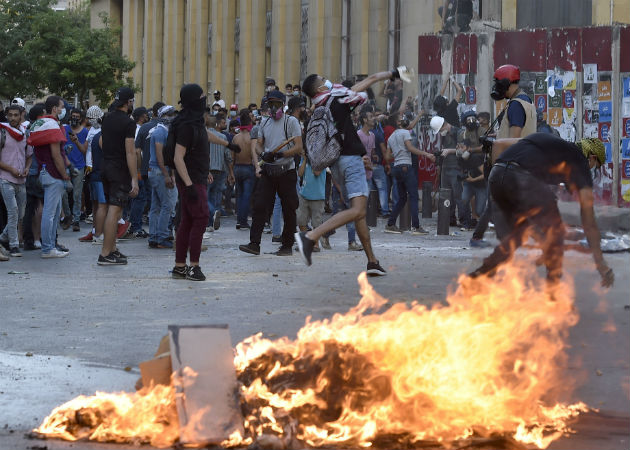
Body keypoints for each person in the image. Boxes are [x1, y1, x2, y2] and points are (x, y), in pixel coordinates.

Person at [469, 134, 614, 288]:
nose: (592, 169)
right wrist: (601, 265)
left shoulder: (550, 142)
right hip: (522, 179)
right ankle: (553, 295)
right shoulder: (580, 160)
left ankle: (478, 277)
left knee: (518, 235)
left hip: (496, 177)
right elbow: (589, 221)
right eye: (595, 165)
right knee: (555, 236)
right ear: (592, 157)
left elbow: (499, 144)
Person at [296, 70, 403, 275]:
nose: (327, 80)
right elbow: (369, 82)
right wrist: (392, 73)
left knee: (358, 213)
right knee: (359, 210)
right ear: (319, 88)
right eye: (322, 80)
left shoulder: (320, 107)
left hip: (336, 163)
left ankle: (372, 261)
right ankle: (310, 236)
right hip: (352, 161)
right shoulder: (338, 99)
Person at [239, 89, 302, 256]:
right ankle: (254, 244)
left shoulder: (291, 122)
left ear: (283, 105)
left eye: (277, 104)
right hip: (268, 170)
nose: (274, 107)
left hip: (286, 172)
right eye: (271, 104)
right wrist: (262, 153)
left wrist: (281, 154)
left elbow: (298, 146)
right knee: (259, 206)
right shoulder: (264, 123)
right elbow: (259, 144)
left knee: (289, 209)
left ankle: (287, 245)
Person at [171, 83, 212, 281]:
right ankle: (194, 266)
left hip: (196, 177)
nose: (205, 100)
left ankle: (180, 266)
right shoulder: (187, 125)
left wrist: (228, 143)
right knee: (201, 218)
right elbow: (178, 157)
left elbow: (205, 136)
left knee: (187, 221)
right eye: (202, 97)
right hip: (191, 179)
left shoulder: (193, 122)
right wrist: (188, 185)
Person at [98, 87, 139, 265]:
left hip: (106, 167)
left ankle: (112, 249)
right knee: (115, 211)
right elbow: (130, 152)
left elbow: (101, 142)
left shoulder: (107, 119)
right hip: (119, 170)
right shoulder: (128, 123)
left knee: (113, 210)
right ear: (128, 102)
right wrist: (134, 179)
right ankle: (105, 253)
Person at [28, 95, 71, 258]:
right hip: (53, 173)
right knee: (50, 213)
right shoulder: (52, 125)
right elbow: (56, 154)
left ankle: (50, 245)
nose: (62, 110)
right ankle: (48, 248)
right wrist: (64, 174)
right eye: (61, 107)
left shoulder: (40, 123)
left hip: (44, 171)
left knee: (52, 211)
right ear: (54, 109)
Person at [384, 114, 435, 235]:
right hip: (406, 166)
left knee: (402, 198)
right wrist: (426, 154)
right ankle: (416, 227)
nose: (405, 120)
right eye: (401, 118)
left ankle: (390, 224)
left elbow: (387, 156)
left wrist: (397, 153)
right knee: (413, 196)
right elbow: (411, 148)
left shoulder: (391, 137)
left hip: (396, 167)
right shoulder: (405, 133)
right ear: (398, 123)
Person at [0, 104, 32, 257]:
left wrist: (27, 168)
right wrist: (10, 169)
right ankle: (13, 246)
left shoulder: (25, 133)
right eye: (10, 115)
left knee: (20, 214)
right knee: (13, 212)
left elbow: (29, 155)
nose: (12, 118)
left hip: (21, 180)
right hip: (5, 179)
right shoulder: (2, 132)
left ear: (21, 116)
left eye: (15, 115)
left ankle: (1, 238)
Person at [430, 115, 466, 227]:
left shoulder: (459, 132)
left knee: (458, 196)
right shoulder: (444, 135)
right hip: (445, 168)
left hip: (456, 168)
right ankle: (450, 219)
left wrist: (449, 151)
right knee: (447, 195)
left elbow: (463, 150)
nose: (440, 132)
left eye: (440, 130)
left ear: (444, 125)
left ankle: (463, 220)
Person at [490, 64, 536, 138]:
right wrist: (499, 136)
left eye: (498, 84)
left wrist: (495, 144)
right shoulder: (525, 99)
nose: (496, 88)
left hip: (517, 150)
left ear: (505, 83)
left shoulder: (516, 104)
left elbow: (513, 140)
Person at [62, 108, 89, 232]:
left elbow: (84, 150)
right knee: (63, 193)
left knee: (77, 195)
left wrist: (76, 141)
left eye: (77, 116)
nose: (74, 118)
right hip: (65, 166)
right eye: (73, 116)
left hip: (79, 166)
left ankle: (76, 220)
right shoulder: (64, 129)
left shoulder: (84, 132)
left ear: (81, 119)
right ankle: (68, 216)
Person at [231, 110, 258, 230]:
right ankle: (243, 221)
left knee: (239, 195)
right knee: (247, 196)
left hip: (237, 167)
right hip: (248, 167)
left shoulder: (235, 138)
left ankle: (239, 220)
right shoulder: (251, 137)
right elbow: (255, 154)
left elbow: (232, 157)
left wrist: (230, 172)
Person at [206, 112, 232, 232]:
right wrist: (231, 172)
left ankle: (208, 218)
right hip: (221, 169)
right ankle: (214, 214)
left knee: (205, 195)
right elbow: (228, 156)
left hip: (208, 169)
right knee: (216, 194)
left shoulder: (205, 135)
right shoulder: (223, 137)